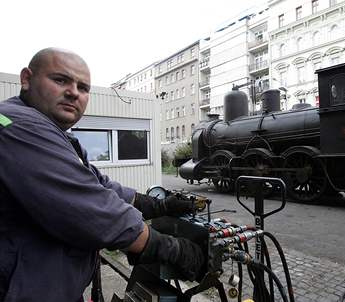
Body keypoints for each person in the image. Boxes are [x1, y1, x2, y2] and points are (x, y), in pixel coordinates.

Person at [0, 48, 204, 302]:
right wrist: (169, 249)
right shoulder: (16, 125)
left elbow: (99, 185)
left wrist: (158, 205)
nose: (74, 92)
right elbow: (90, 210)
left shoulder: (57, 135)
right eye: (60, 80)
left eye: (83, 87)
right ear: (26, 79)